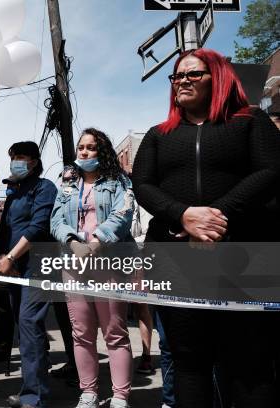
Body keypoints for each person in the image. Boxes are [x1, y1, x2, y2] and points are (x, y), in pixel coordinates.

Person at [131, 49, 280, 407]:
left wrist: (215, 216)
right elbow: (144, 184)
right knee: (188, 362)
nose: (182, 80)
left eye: (192, 74)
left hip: (245, 260)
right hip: (177, 261)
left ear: (218, 77)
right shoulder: (158, 135)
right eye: (177, 76)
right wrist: (182, 215)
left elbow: (270, 171)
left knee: (249, 365)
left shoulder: (250, 122)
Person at [51, 128, 135, 408]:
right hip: (74, 262)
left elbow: (123, 214)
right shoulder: (67, 181)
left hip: (108, 260)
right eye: (81, 148)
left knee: (114, 331)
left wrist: (98, 240)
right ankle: (88, 393)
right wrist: (73, 242)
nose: (84, 152)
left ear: (102, 151)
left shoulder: (118, 180)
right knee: (82, 332)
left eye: (91, 148)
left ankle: (120, 396)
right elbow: (56, 219)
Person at [0, 142, 57, 408]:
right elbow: (5, 230)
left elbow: (38, 226)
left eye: (20, 157)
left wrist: (10, 257)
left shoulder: (45, 188)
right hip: (16, 266)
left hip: (38, 262)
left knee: (29, 323)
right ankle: (36, 386)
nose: (15, 162)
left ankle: (34, 396)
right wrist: (2, 256)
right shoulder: (14, 193)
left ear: (33, 161)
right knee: (28, 327)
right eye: (12, 157)